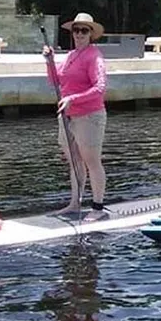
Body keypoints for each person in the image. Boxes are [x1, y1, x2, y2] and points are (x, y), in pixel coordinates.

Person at [43, 12, 109, 221]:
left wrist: (73, 99)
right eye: (76, 30)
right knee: (74, 161)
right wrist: (50, 61)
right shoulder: (71, 56)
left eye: (84, 30)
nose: (79, 34)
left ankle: (97, 207)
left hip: (89, 116)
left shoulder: (94, 56)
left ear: (91, 34)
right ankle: (75, 203)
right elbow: (55, 81)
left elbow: (100, 88)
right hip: (67, 116)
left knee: (91, 161)